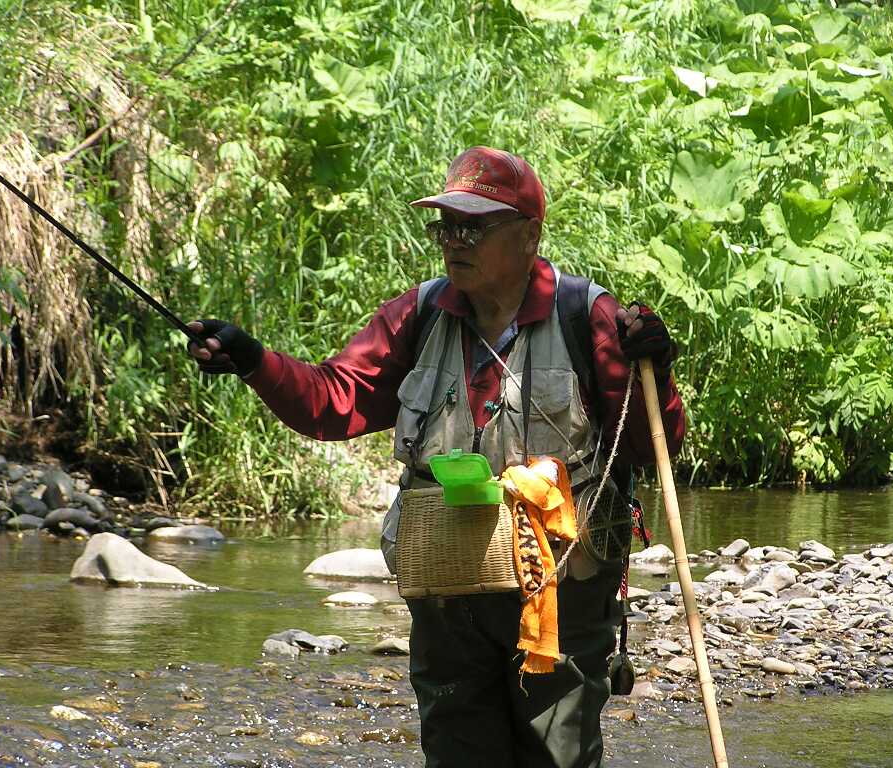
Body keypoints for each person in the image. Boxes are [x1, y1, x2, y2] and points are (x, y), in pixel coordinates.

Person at [188, 146, 685, 768]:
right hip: (445, 589)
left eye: (474, 226)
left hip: (560, 586)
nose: (455, 240)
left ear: (529, 234)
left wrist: (655, 369)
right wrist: (255, 362)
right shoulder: (416, 315)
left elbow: (646, 443)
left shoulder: (587, 317)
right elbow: (331, 401)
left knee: (557, 759)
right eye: (446, 225)